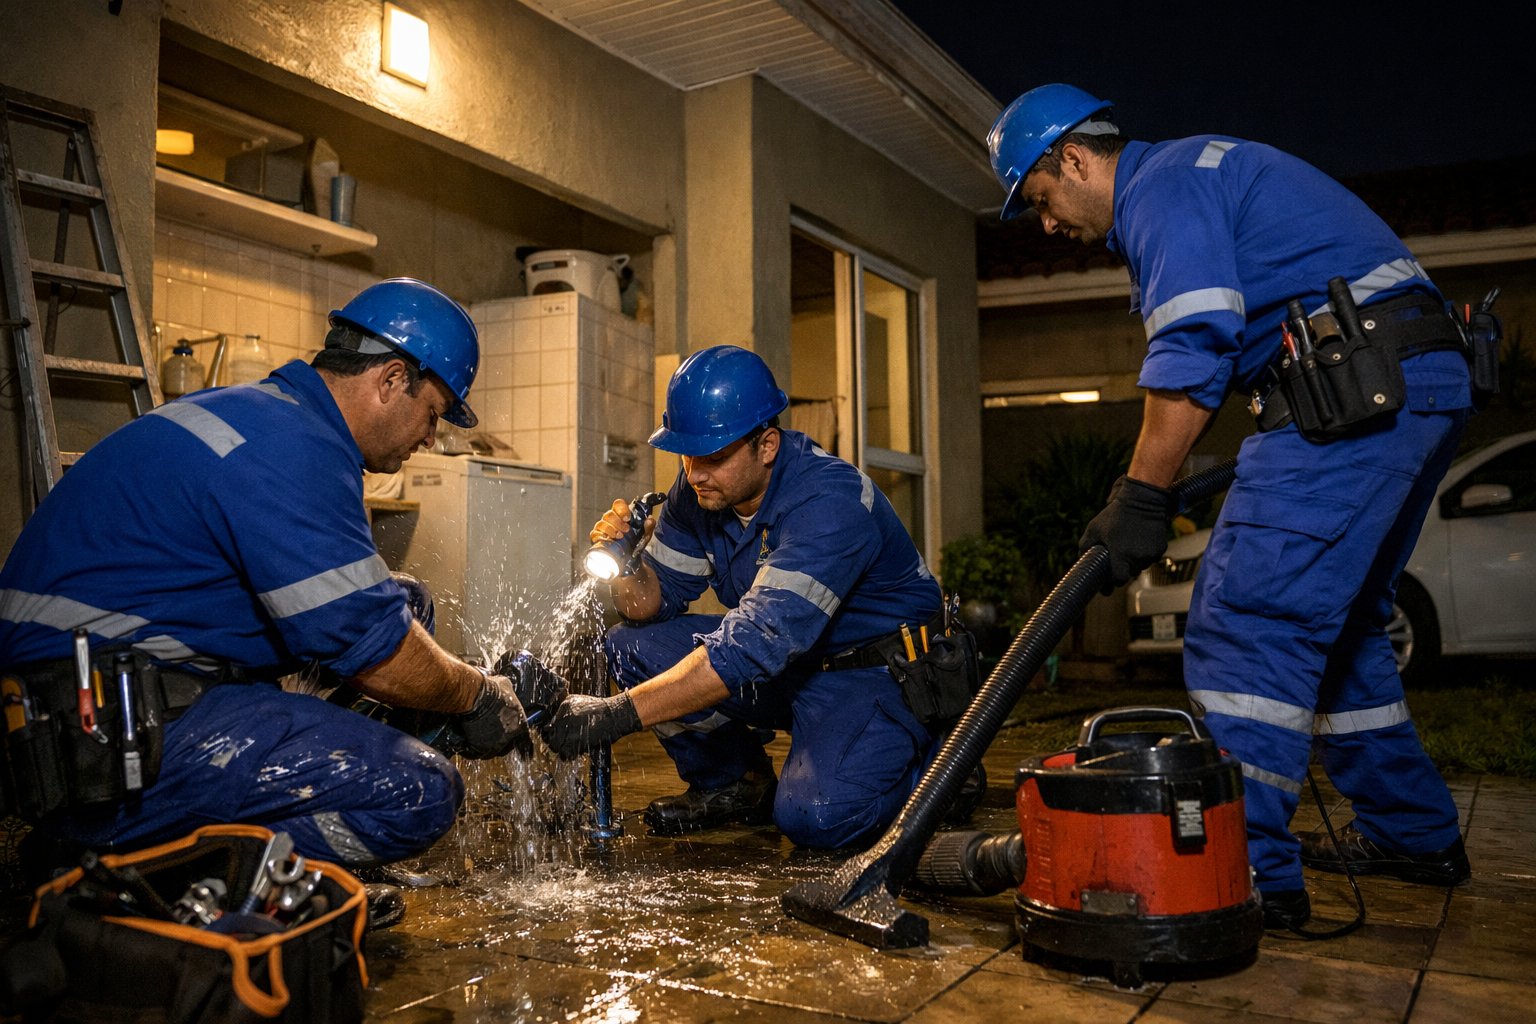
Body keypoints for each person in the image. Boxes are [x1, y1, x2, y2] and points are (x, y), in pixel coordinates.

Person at [987, 85, 1474, 928]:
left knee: (1248, 622)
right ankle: (1412, 832)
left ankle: (1236, 869)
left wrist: (1140, 496)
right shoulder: (1198, 171)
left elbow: (1196, 340)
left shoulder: (1161, 186)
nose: (1048, 225)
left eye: (1041, 201)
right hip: (1411, 382)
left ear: (1073, 159)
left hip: (1352, 387)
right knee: (1343, 630)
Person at [0, 278, 558, 897]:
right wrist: (478, 696)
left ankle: (179, 828)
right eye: (433, 413)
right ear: (391, 379)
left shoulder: (272, 418)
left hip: (103, 682)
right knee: (418, 792)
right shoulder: (294, 449)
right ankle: (126, 864)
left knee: (408, 603)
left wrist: (441, 693)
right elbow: (378, 654)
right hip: (91, 728)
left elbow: (371, 620)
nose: (430, 437)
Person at [538, 345, 960, 846]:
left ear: (767, 445)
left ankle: (943, 775)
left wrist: (615, 714)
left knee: (817, 818)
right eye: (687, 454)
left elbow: (750, 648)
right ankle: (737, 784)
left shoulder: (829, 503)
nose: (694, 473)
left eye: (713, 457)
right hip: (788, 666)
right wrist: (628, 563)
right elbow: (649, 604)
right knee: (632, 645)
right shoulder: (702, 492)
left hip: (871, 675)